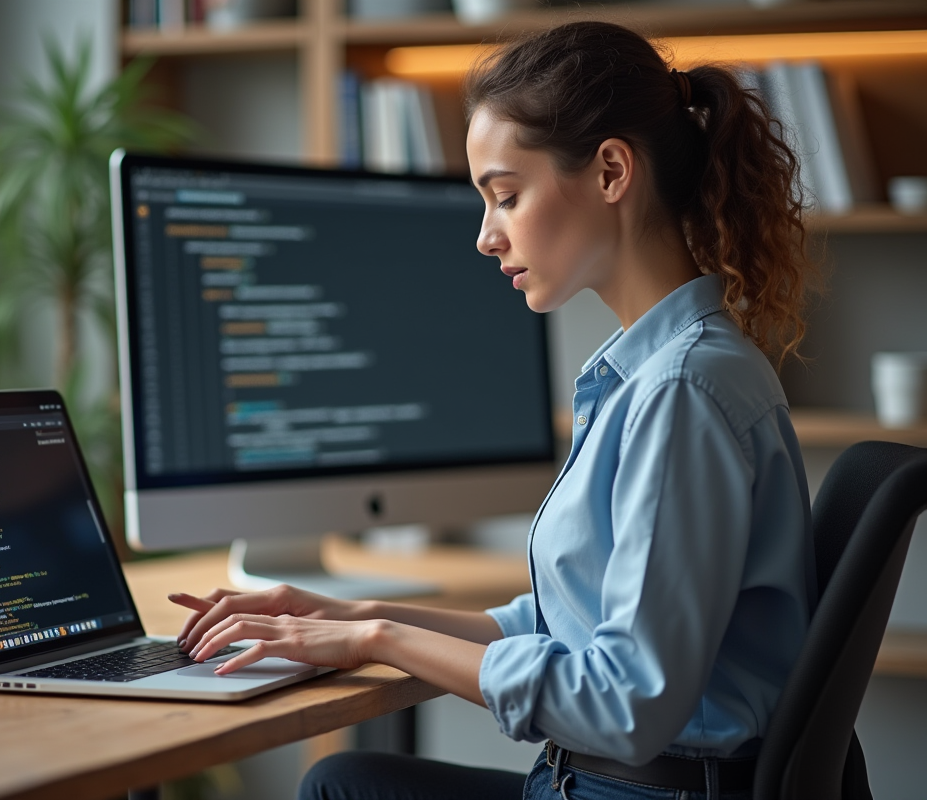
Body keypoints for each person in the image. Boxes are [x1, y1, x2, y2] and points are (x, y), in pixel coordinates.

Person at [169, 20, 819, 800]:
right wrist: (347, 613)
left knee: (341, 786)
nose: (485, 236)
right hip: (631, 784)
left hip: (640, 790)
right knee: (344, 778)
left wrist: (377, 638)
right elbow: (567, 628)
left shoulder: (682, 393)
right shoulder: (658, 375)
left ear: (612, 170)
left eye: (506, 196)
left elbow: (624, 702)